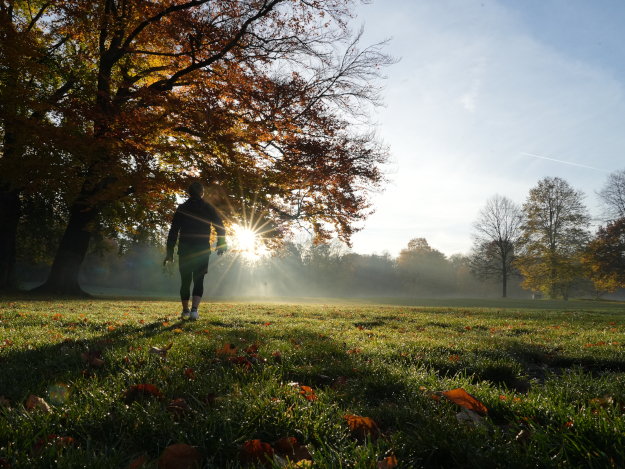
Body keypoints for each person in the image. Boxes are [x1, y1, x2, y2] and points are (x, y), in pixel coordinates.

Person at [164, 182, 227, 320]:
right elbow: (220, 227)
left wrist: (170, 251)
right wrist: (221, 244)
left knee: (185, 281)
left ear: (189, 192)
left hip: (185, 249)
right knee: (199, 280)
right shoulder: (208, 208)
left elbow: (173, 231)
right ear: (202, 192)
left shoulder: (182, 208)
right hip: (202, 249)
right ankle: (194, 311)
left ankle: (185, 310)